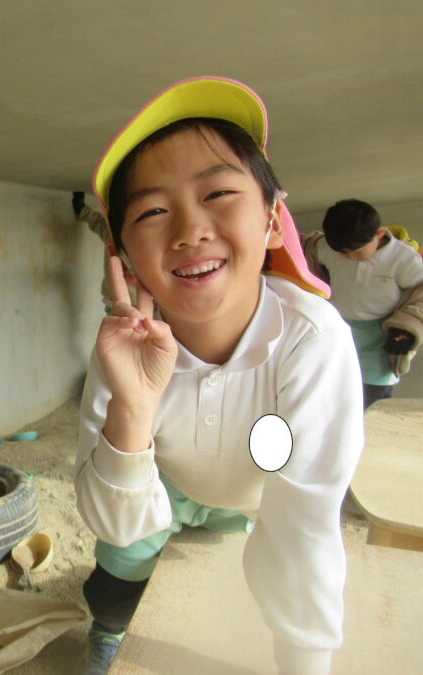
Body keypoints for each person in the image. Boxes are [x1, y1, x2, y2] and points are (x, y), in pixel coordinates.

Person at [74, 76, 364, 675]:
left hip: (263, 490)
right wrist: (133, 407)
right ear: (124, 257)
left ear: (272, 218)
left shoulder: (311, 341)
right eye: (152, 211)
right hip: (168, 478)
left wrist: (306, 660)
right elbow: (117, 523)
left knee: (260, 583)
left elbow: (304, 527)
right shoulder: (124, 350)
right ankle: (107, 634)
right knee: (117, 580)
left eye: (219, 193)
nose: (189, 231)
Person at [302, 199, 423, 408]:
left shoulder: (403, 259)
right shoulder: (329, 248)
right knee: (333, 386)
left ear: (379, 234)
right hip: (338, 328)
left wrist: (407, 327)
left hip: (380, 335)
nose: (349, 257)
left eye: (356, 251)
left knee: (372, 397)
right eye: (342, 253)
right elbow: (306, 250)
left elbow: (420, 291)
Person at [73, 191, 117, 312]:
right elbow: (99, 223)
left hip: (136, 303)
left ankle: (81, 209)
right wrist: (82, 210)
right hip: (114, 301)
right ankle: (81, 209)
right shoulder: (112, 233)